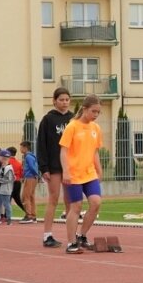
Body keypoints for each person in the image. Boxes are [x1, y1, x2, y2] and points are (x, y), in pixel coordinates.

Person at [59, 94, 104, 253]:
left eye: (98, 112)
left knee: (96, 203)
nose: (96, 115)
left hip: (89, 173)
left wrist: (99, 169)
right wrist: (65, 171)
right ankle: (71, 243)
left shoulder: (96, 128)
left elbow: (95, 152)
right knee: (76, 207)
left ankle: (82, 235)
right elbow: (63, 151)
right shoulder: (72, 126)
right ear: (84, 109)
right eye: (93, 111)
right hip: (73, 174)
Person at [37, 87, 74, 247]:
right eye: (61, 100)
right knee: (53, 198)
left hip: (70, 166)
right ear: (54, 100)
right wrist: (44, 167)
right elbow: (41, 144)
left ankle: (71, 236)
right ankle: (47, 235)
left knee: (70, 200)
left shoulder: (74, 119)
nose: (64, 103)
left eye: (67, 99)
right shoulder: (48, 120)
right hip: (53, 166)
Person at [0, 150, 15, 225]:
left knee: (6, 204)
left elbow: (9, 179)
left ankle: (9, 219)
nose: (2, 159)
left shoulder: (9, 168)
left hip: (6, 189)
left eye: (2, 157)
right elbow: (1, 176)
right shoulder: (3, 167)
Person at [19, 141, 40, 223]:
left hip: (30, 177)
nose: (20, 149)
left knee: (25, 196)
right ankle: (33, 215)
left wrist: (35, 174)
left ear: (25, 147)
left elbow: (31, 167)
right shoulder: (30, 156)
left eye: (21, 147)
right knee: (31, 196)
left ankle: (29, 215)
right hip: (32, 177)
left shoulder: (28, 157)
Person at [6, 146, 28, 219]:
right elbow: (22, 174)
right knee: (17, 199)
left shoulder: (7, 162)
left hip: (10, 182)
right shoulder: (19, 163)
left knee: (8, 198)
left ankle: (7, 216)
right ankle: (27, 212)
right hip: (18, 182)